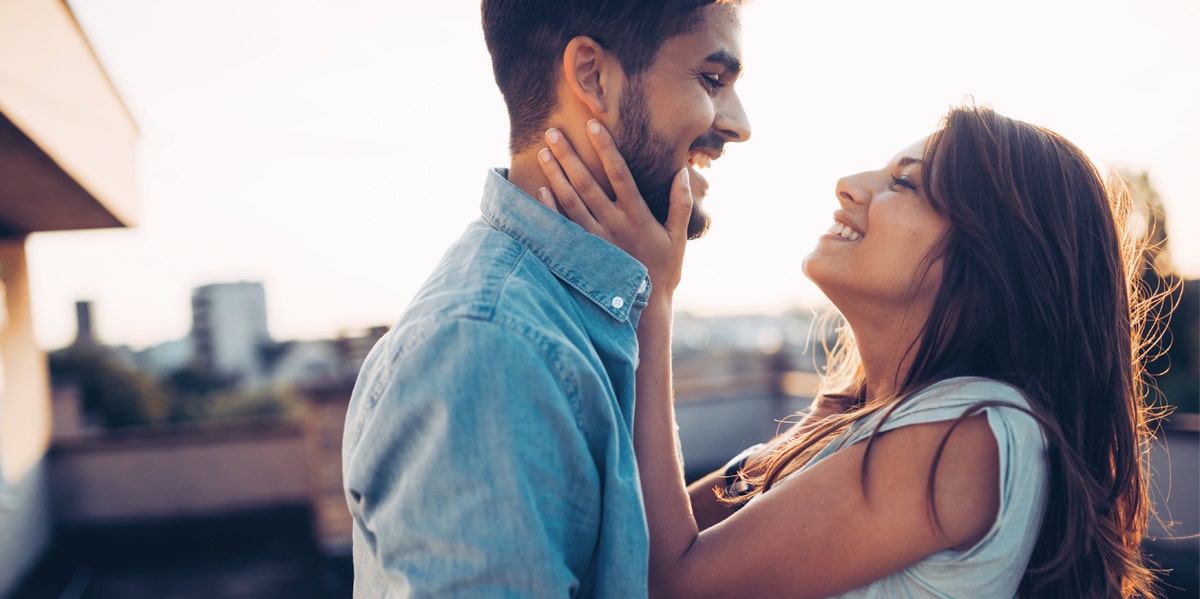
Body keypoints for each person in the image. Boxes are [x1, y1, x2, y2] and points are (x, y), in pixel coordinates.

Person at [535, 103, 1162, 597]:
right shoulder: (863, 422)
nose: (850, 185)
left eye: (906, 185)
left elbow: (671, 580)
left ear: (992, 266)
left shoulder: (975, 433)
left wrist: (652, 299)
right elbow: (649, 526)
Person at [341, 1, 750, 596]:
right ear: (591, 76)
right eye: (712, 80)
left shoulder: (565, 317)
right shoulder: (487, 349)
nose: (738, 122)